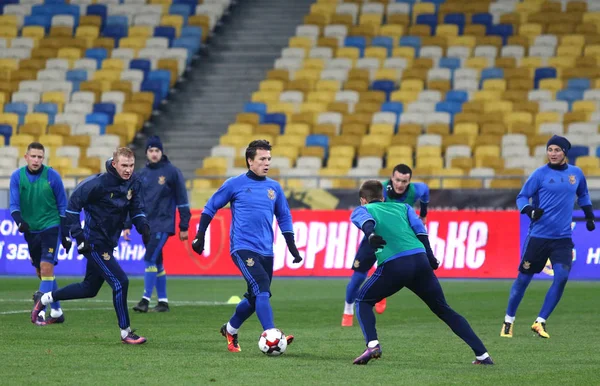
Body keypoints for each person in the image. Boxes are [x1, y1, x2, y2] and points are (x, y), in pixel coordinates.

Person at [350, 180, 493, 365]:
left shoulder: (362, 209)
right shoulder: (404, 207)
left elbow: (366, 222)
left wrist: (370, 235)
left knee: (363, 300)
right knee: (443, 309)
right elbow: (421, 231)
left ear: (363, 200)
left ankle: (373, 345)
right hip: (420, 260)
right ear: (383, 197)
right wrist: (431, 257)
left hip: (395, 264)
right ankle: (483, 355)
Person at [31, 147, 151, 344]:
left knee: (89, 288)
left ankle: (43, 299)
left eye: (131, 165)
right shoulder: (97, 184)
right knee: (121, 282)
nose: (128, 169)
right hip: (94, 242)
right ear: (114, 164)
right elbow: (72, 208)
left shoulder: (134, 182)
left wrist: (143, 225)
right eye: (124, 165)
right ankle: (126, 332)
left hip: (109, 241)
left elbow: (136, 208)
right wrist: (79, 238)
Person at [191, 139, 302, 352]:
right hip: (242, 248)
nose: (266, 163)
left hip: (266, 250)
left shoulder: (274, 187)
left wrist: (292, 246)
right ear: (250, 161)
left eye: (269, 159)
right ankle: (272, 335)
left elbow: (284, 217)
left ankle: (230, 329)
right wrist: (200, 235)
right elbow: (211, 206)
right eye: (262, 159)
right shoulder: (235, 184)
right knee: (261, 288)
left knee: (255, 297)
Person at [501, 135, 595, 339]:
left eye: (557, 150)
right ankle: (508, 321)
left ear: (565, 153)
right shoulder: (539, 174)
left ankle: (540, 321)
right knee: (523, 280)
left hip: (562, 238)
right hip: (538, 237)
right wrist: (529, 211)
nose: (552, 153)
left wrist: (589, 216)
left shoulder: (576, 173)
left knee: (561, 277)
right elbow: (521, 196)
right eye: (550, 149)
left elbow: (584, 194)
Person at [342, 164, 430, 326]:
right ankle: (348, 311)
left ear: (409, 181)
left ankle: (380, 292)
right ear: (391, 177)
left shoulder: (417, 190)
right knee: (359, 275)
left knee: (394, 268)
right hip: (373, 235)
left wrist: (423, 214)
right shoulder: (380, 189)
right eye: (397, 180)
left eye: (404, 181)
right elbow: (365, 207)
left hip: (396, 239)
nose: (400, 184)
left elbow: (425, 192)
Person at [128, 136, 191, 313]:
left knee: (149, 258)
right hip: (146, 225)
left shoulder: (172, 172)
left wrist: (184, 226)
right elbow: (133, 201)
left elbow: (182, 200)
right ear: (146, 153)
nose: (154, 154)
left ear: (161, 152)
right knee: (158, 262)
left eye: (157, 150)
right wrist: (127, 224)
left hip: (163, 224)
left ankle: (145, 300)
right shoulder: (141, 174)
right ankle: (163, 302)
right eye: (151, 150)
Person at [10, 142, 70, 325]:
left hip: (51, 226)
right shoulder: (17, 176)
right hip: (31, 229)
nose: (36, 160)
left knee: (46, 266)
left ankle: (40, 311)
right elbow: (14, 205)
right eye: (33, 156)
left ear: (43, 159)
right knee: (42, 272)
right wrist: (20, 222)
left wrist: (66, 233)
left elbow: (62, 206)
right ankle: (58, 311)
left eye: (39, 157)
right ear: (26, 157)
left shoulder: (52, 176)